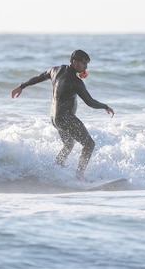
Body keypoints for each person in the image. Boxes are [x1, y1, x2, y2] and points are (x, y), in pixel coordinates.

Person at [11, 49, 114, 180]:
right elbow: (90, 102)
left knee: (69, 144)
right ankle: (79, 177)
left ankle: (56, 168)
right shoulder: (76, 82)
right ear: (74, 62)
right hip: (66, 118)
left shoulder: (55, 70)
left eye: (87, 64)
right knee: (89, 144)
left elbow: (38, 78)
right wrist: (105, 106)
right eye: (84, 64)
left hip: (55, 118)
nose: (86, 67)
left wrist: (21, 86)